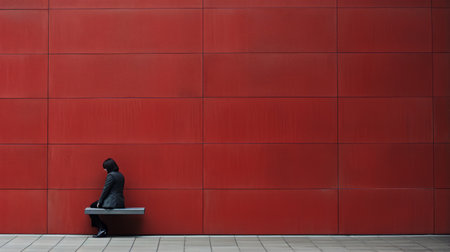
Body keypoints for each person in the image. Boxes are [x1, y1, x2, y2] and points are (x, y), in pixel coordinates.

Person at [89, 158, 125, 237]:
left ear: (109, 167)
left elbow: (106, 190)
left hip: (112, 202)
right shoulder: (120, 175)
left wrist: (100, 202)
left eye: (105, 168)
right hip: (120, 202)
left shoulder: (111, 175)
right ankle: (102, 228)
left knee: (92, 207)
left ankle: (102, 228)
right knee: (93, 207)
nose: (105, 170)